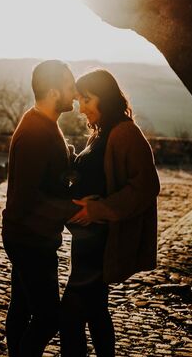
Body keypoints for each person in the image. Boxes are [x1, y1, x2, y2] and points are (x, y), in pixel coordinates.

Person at [60, 69, 160, 357]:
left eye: (86, 99)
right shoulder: (101, 132)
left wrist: (98, 208)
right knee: (95, 311)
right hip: (87, 245)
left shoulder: (125, 133)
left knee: (70, 317)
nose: (81, 107)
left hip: (102, 245)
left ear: (105, 98)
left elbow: (146, 187)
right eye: (79, 99)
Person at [2, 60, 80, 357]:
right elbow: (27, 198)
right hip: (30, 240)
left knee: (21, 307)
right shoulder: (36, 132)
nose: (74, 93)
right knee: (48, 318)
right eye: (69, 86)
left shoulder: (42, 123)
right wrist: (72, 209)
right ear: (52, 91)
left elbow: (45, 174)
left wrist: (67, 160)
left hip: (25, 236)